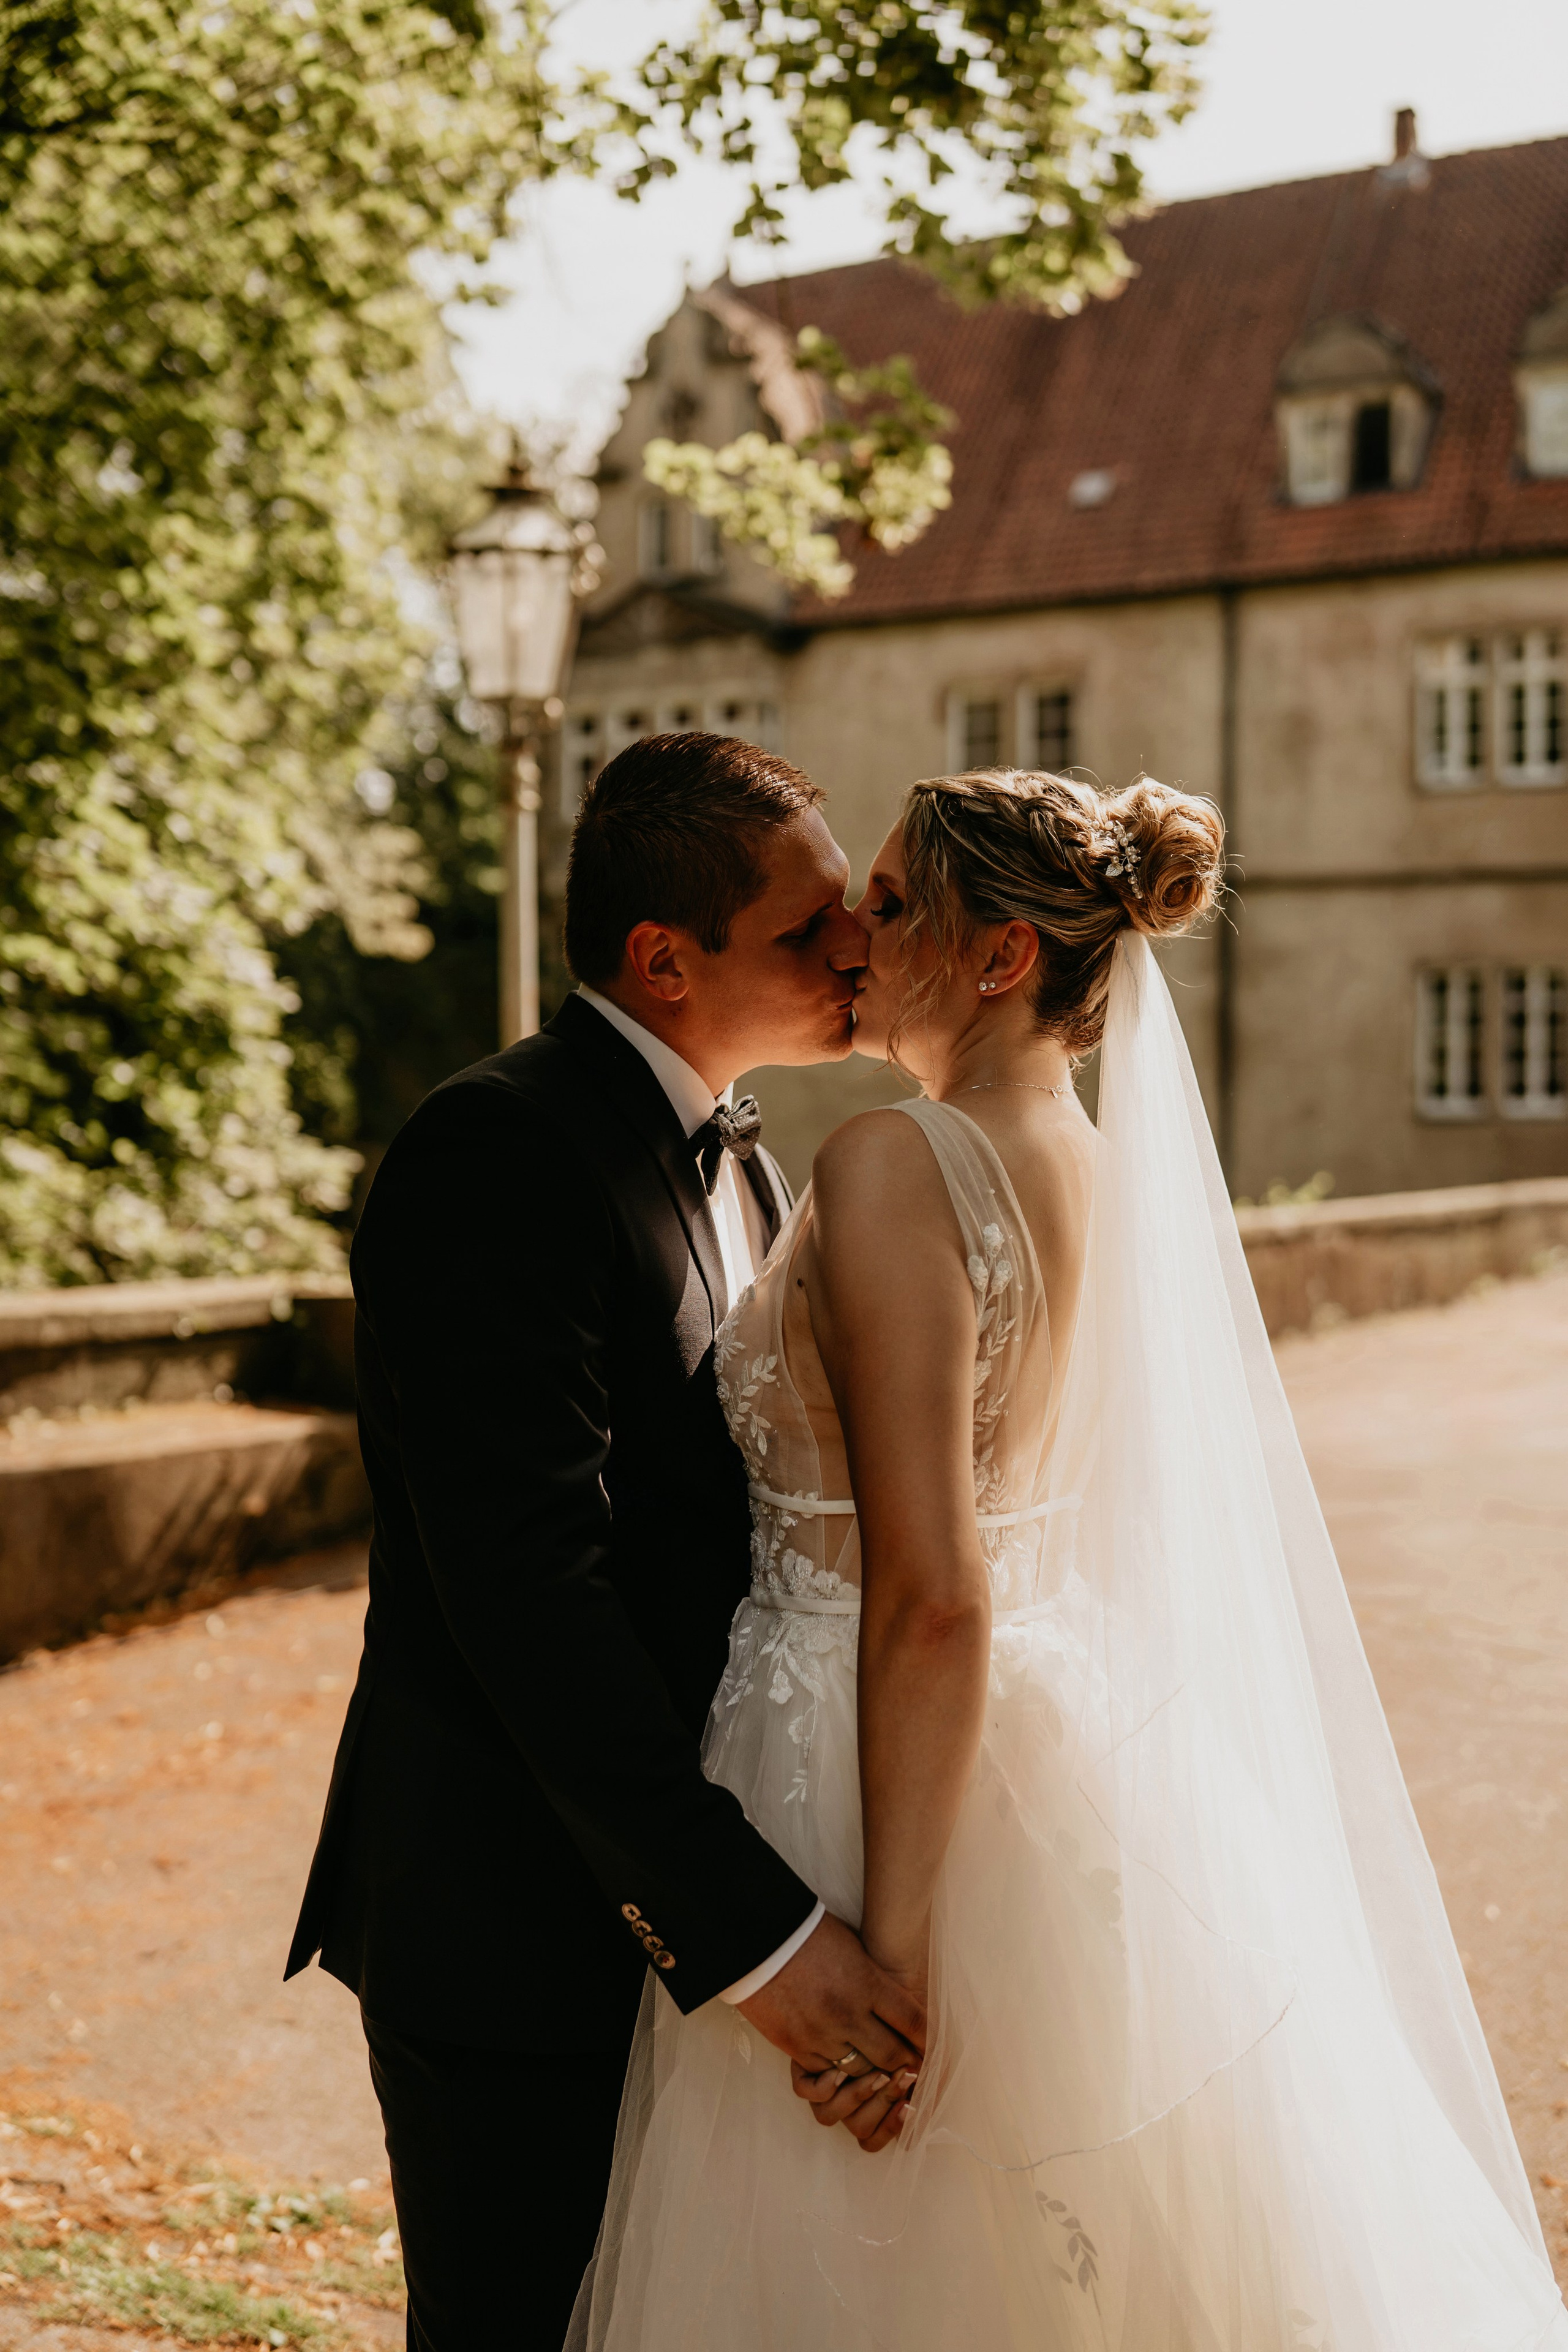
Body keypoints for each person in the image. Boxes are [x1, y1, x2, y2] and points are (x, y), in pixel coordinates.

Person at [570, 766, 1568, 2350]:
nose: (854, 934)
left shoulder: (899, 1162)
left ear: (1003, 956)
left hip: (873, 1767)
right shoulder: (1102, 1172)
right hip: (1057, 1739)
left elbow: (935, 1593)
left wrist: (892, 1965)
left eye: (891, 903)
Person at [285, 733, 925, 2350]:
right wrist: (761, 1939)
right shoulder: (492, 1156)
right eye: (809, 930)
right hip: (511, 1923)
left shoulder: (755, 1154)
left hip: (679, 1876)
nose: (858, 948)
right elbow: (528, 1597)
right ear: (664, 959)